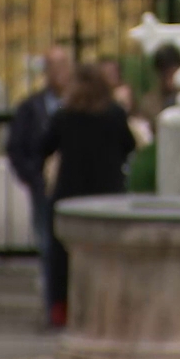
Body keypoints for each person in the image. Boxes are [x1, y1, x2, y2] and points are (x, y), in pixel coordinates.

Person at [40, 63, 136, 327]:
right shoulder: (115, 114)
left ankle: (63, 309)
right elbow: (129, 145)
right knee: (107, 256)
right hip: (108, 196)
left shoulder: (65, 115)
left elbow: (45, 146)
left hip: (71, 195)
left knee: (65, 257)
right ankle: (108, 309)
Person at [6, 46, 74, 326]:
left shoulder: (80, 106)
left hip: (73, 189)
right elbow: (16, 147)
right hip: (43, 189)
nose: (58, 73)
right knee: (47, 248)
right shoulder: (31, 107)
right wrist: (31, 175)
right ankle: (53, 310)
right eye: (52, 66)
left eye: (63, 66)